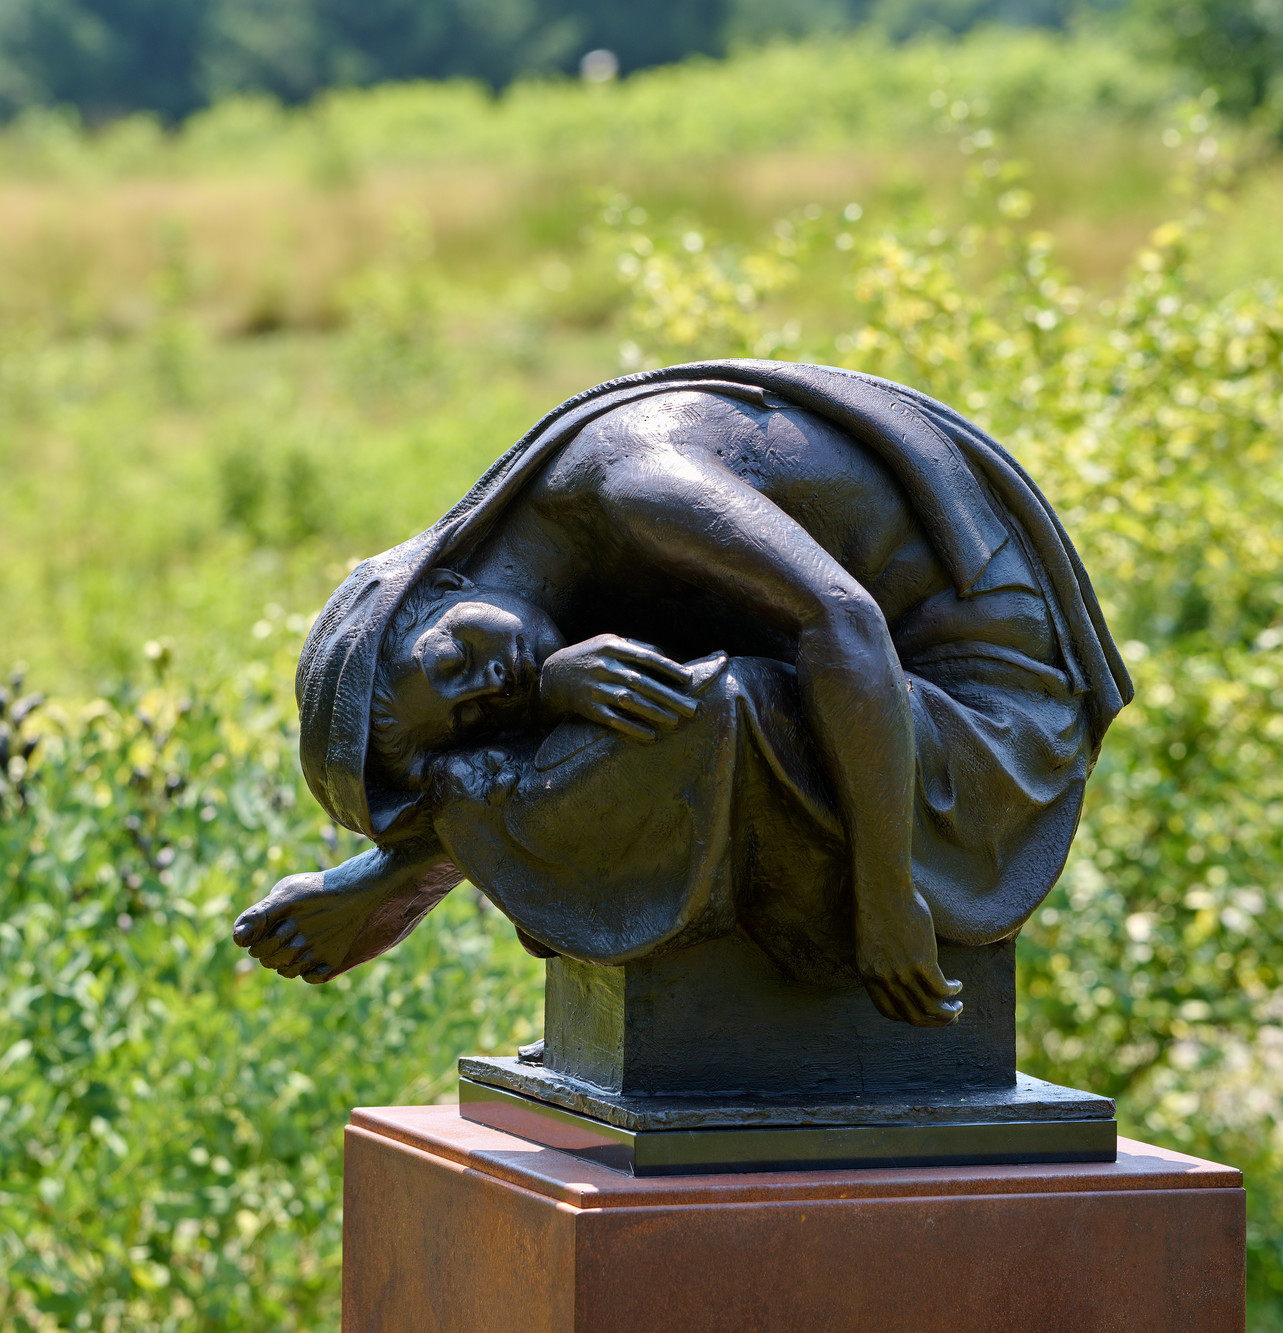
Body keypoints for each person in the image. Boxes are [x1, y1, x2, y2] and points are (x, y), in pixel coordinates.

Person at [233, 361, 1131, 1027]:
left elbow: (845, 624)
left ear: (424, 587)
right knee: (658, 699)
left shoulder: (635, 483)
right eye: (475, 714)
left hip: (992, 727)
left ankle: (398, 878)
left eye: (449, 661)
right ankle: (397, 874)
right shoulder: (551, 564)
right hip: (880, 700)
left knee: (709, 709)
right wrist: (548, 689)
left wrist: (889, 896)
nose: (490, 685)